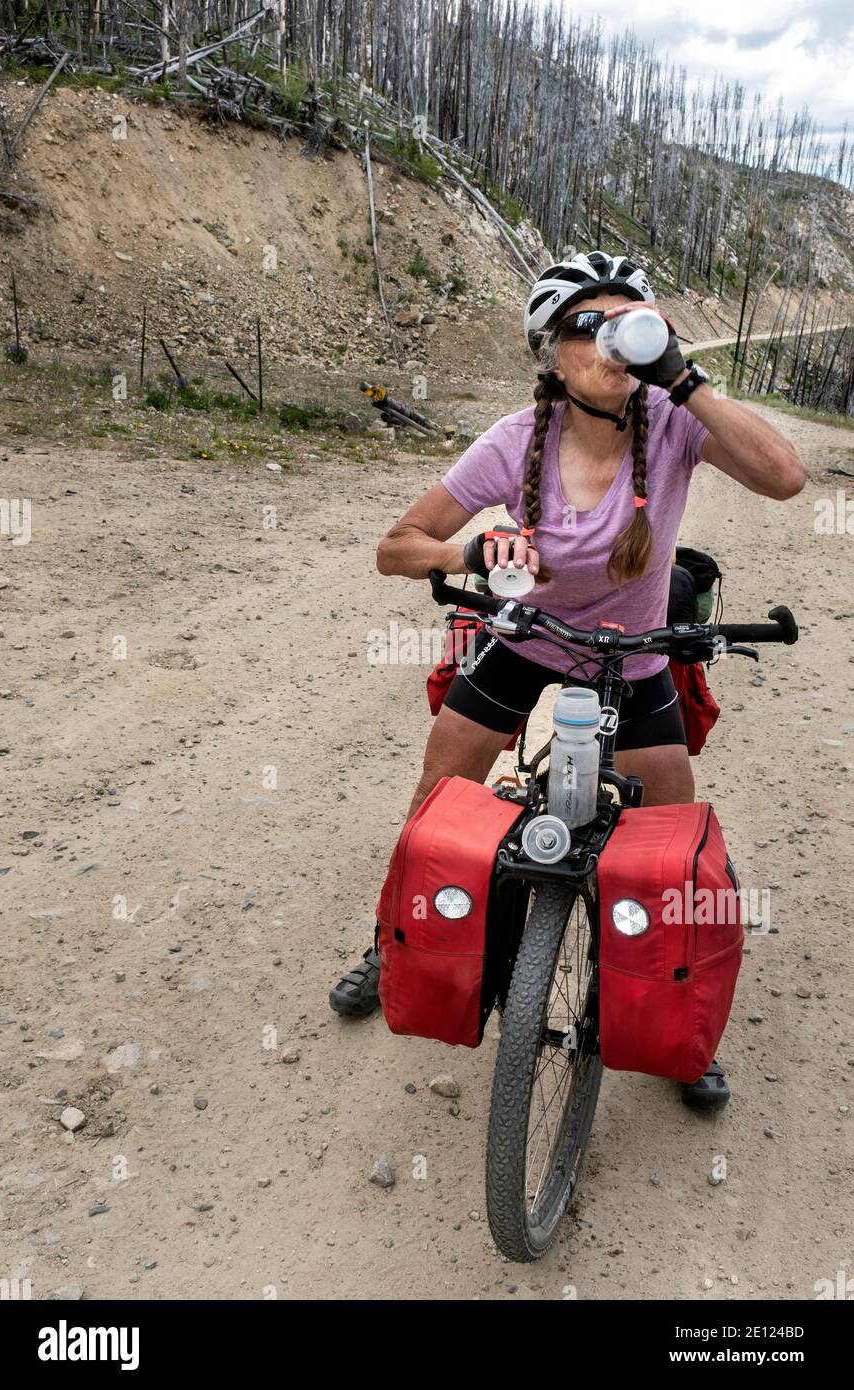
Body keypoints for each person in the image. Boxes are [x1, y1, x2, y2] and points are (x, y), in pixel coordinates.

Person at [329, 250, 805, 1109]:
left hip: (641, 651)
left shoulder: (672, 422)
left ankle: (673, 1016)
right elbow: (394, 546)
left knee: (669, 847)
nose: (614, 340)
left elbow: (785, 477)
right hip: (529, 639)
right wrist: (465, 551)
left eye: (632, 321)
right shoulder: (515, 440)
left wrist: (682, 375)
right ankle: (393, 940)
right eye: (591, 325)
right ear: (554, 351)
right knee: (438, 796)